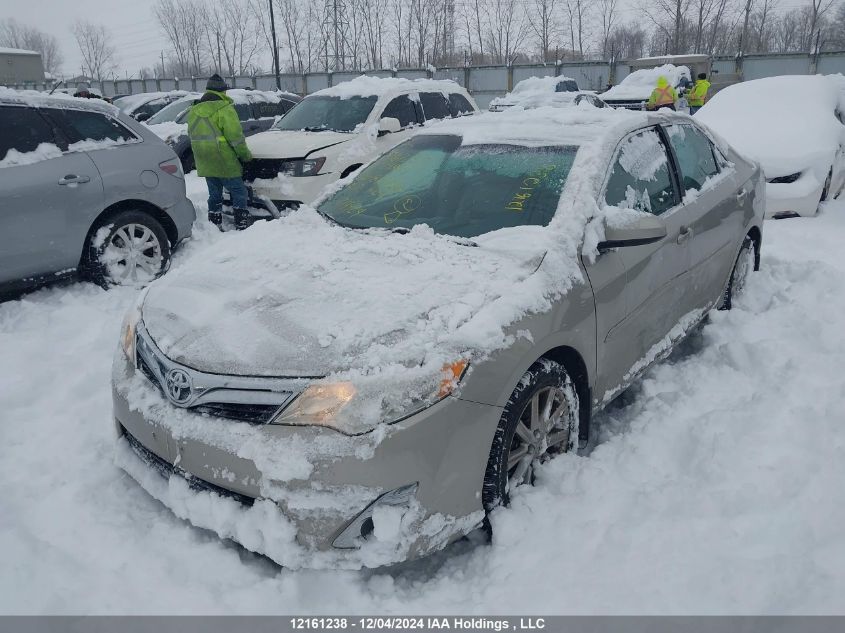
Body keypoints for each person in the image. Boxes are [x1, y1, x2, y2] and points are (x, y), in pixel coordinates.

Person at [187, 73, 253, 230]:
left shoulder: (194, 110)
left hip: (205, 160)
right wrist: (245, 156)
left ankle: (214, 224)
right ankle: (241, 224)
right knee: (239, 192)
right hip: (224, 159)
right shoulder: (224, 109)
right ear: (222, 91)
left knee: (214, 194)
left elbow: (191, 133)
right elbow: (236, 137)